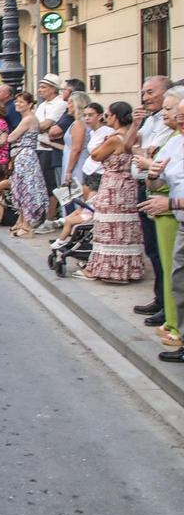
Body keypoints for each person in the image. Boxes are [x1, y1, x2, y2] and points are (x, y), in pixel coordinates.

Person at [137, 88, 184, 346]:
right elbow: (156, 184)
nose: (179, 119)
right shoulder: (176, 141)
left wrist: (170, 203)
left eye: (179, 113)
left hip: (173, 210)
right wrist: (153, 175)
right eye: (178, 115)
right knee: (177, 278)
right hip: (177, 217)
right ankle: (178, 332)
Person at [79, 101, 143, 283]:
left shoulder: (115, 138)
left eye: (108, 115)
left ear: (115, 117)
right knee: (126, 228)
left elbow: (96, 155)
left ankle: (109, 270)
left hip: (113, 185)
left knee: (110, 228)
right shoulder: (133, 135)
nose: (107, 119)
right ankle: (129, 270)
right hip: (129, 185)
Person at [132, 76, 173, 324]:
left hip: (166, 197)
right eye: (143, 93)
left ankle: (168, 307)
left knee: (163, 253)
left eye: (150, 92)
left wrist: (149, 162)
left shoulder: (171, 129)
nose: (145, 97)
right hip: (146, 187)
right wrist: (135, 126)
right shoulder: (149, 120)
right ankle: (161, 299)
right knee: (153, 250)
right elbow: (132, 148)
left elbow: (161, 161)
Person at [4, 93, 48, 237]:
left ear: (29, 104)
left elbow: (11, 137)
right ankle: (23, 222)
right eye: (16, 101)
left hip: (25, 157)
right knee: (21, 189)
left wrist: (11, 137)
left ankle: (27, 225)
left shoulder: (28, 119)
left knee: (26, 189)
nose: (17, 104)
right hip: (23, 156)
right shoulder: (29, 118)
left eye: (21, 102)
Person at [34, 75, 68, 218]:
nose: (40, 90)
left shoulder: (60, 104)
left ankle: (51, 216)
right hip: (39, 146)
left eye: (43, 87)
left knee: (51, 184)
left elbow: (45, 125)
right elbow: (38, 125)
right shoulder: (42, 105)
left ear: (53, 89)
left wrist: (35, 127)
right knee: (41, 183)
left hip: (50, 148)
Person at [80, 102, 112, 198]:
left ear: (99, 116)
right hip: (88, 171)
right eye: (85, 115)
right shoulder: (92, 132)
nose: (87, 118)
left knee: (92, 204)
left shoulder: (107, 132)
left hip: (99, 172)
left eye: (90, 115)